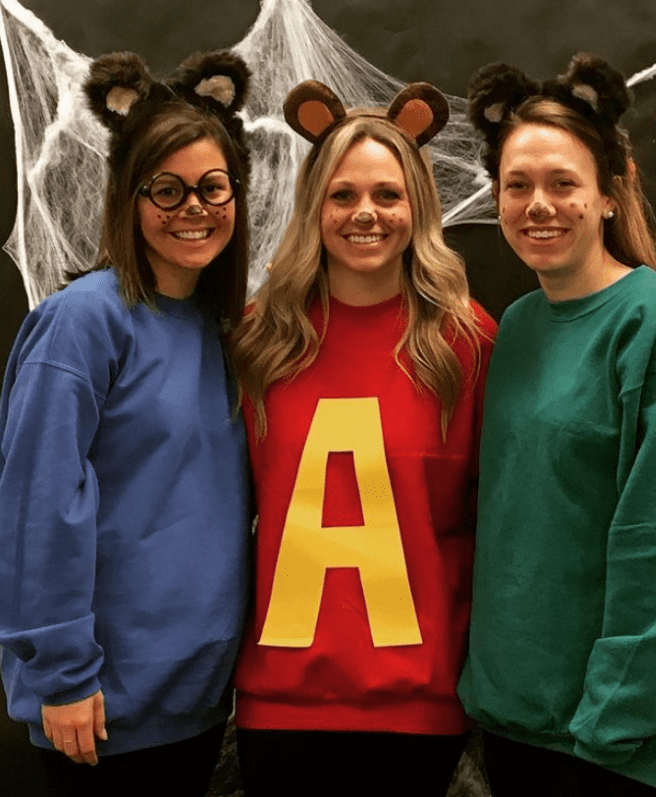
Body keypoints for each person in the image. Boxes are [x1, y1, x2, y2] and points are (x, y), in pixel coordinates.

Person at [456, 55, 656, 797]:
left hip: (601, 744)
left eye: (563, 183)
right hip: (511, 721)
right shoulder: (517, 326)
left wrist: (614, 719)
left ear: (609, 195)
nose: (539, 205)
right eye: (518, 185)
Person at [230, 79, 496, 797]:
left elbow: (499, 518)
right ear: (314, 206)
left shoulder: (466, 341)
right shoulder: (261, 338)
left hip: (417, 705)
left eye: (387, 194)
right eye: (342, 195)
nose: (365, 213)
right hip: (279, 704)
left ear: (418, 206)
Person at [0, 50, 252, 797]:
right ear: (129, 197)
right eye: (166, 189)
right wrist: (62, 672)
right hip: (102, 705)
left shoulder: (219, 328)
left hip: (200, 698)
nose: (193, 207)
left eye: (212, 187)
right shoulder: (82, 323)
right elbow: (38, 504)